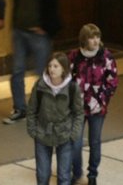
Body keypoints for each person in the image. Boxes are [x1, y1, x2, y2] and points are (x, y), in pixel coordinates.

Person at [3, 0, 62, 124]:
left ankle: (43, 110)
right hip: (20, 30)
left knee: (43, 73)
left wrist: (46, 26)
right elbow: (17, 1)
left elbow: (53, 1)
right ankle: (20, 108)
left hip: (39, 33)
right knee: (17, 70)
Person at [68, 23, 118, 185]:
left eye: (97, 37)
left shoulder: (106, 57)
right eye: (91, 37)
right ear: (84, 39)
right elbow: (66, 79)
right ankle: (76, 173)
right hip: (77, 108)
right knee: (74, 142)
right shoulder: (74, 57)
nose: (96, 41)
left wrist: (103, 98)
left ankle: (92, 175)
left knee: (94, 142)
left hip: (98, 108)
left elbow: (113, 81)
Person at [26, 52, 84, 185]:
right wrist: (33, 130)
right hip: (42, 134)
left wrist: (74, 134)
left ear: (64, 68)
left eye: (56, 66)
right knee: (42, 175)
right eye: (50, 66)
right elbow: (31, 109)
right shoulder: (40, 86)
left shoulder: (72, 87)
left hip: (64, 135)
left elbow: (79, 113)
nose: (52, 69)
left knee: (64, 176)